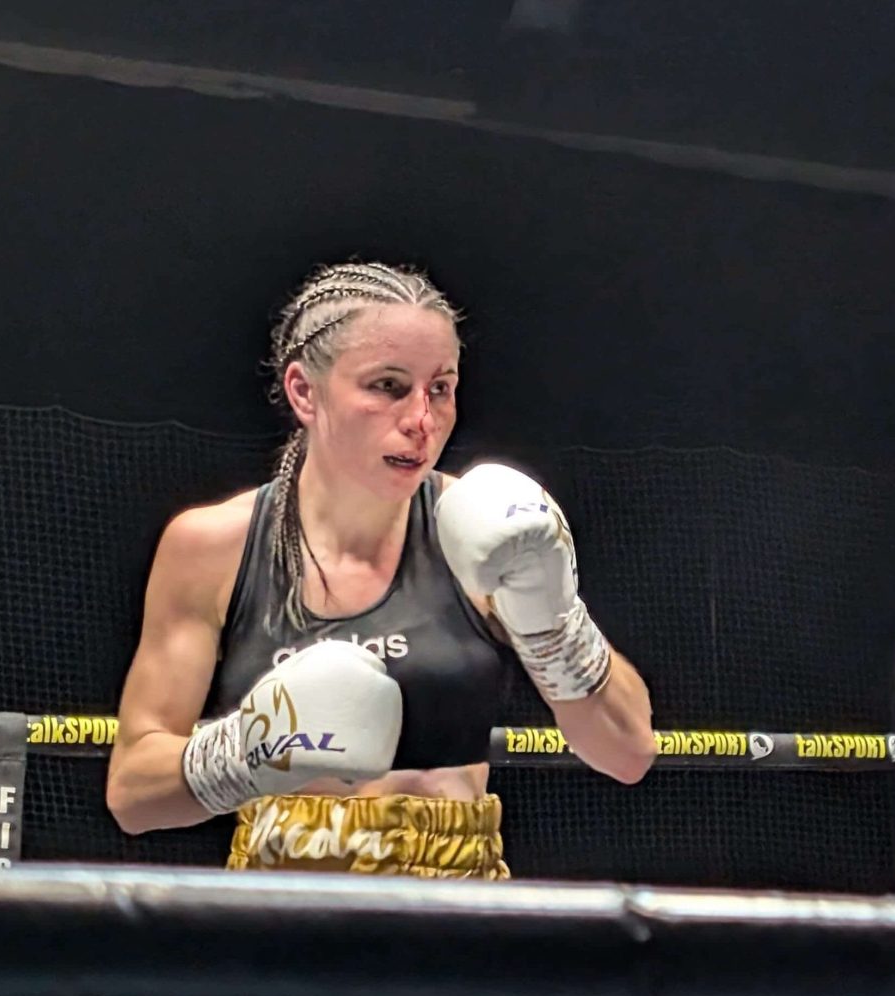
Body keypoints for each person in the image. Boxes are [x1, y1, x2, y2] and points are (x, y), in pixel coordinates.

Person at [106, 261, 655, 878]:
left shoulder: (481, 532)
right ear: (304, 392)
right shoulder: (215, 546)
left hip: (455, 913)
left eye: (440, 388)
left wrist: (556, 622)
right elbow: (132, 795)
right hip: (279, 917)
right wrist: (248, 750)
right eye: (389, 386)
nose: (422, 419)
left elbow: (628, 753)